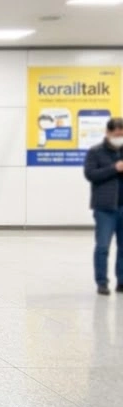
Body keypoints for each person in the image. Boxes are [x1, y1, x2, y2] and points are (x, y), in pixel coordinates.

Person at [84, 117, 123, 294]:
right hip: (105, 209)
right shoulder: (95, 152)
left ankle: (121, 281)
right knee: (102, 247)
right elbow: (91, 174)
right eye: (116, 134)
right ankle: (102, 282)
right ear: (108, 133)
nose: (119, 137)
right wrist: (115, 168)